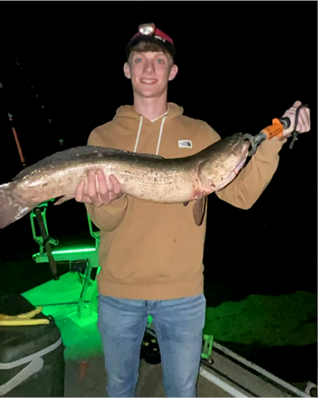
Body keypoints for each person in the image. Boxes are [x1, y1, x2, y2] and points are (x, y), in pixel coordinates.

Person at [74, 23, 311, 398]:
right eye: (139, 59)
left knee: (183, 390)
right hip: (119, 291)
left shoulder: (201, 133)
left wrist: (274, 142)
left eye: (158, 60)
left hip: (182, 294)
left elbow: (242, 194)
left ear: (173, 72)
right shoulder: (102, 138)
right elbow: (103, 221)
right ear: (126, 70)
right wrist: (108, 199)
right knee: (119, 386)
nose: (148, 68)